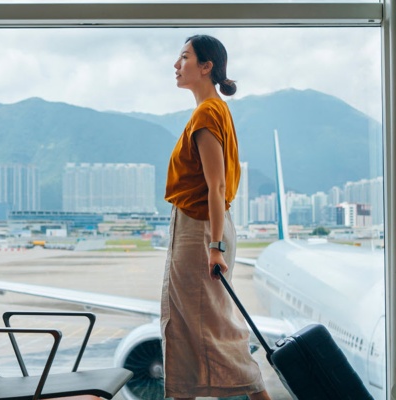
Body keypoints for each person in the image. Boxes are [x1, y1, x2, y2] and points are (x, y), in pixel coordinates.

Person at [161, 34, 272, 400]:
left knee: (209, 326)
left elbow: (217, 186)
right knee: (194, 325)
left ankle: (255, 393)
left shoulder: (208, 112)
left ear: (206, 66)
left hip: (201, 230)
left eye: (184, 57)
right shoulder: (213, 110)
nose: (176, 65)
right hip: (201, 229)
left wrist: (215, 246)